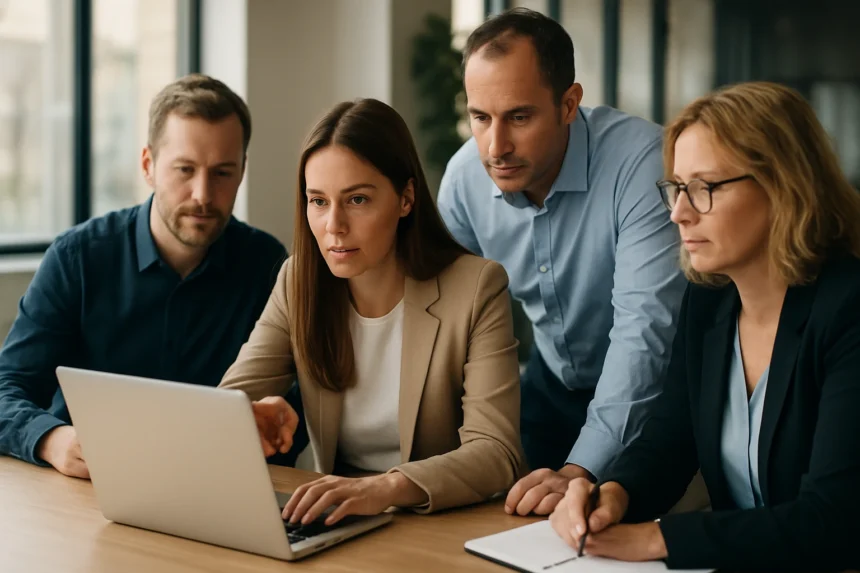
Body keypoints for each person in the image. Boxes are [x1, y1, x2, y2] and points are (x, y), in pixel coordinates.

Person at [549, 81, 860, 572]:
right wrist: (614, 494)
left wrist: (657, 540)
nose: (678, 212)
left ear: (783, 184)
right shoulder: (709, 299)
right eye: (677, 187)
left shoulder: (848, 308)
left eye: (705, 188)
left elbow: (834, 519)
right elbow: (671, 439)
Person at [219, 98, 524, 526]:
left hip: (439, 524)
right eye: (318, 201)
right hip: (340, 519)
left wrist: (383, 488)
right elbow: (224, 404)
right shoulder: (298, 280)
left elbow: (496, 451)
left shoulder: (476, 288)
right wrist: (246, 415)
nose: (334, 226)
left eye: (357, 200)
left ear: (405, 198)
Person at [436, 7, 686, 516]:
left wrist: (580, 470)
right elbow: (441, 318)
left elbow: (644, 334)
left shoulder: (644, 166)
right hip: (551, 382)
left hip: (662, 395)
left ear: (569, 104)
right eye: (481, 118)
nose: (495, 147)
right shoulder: (465, 177)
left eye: (519, 117)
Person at [0, 74, 302, 478]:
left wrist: (277, 423)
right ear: (148, 165)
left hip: (215, 488)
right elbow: (6, 387)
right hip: (88, 491)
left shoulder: (267, 264)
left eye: (222, 173)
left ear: (242, 171)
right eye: (185, 169)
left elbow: (300, 400)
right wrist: (52, 440)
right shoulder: (78, 259)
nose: (203, 195)